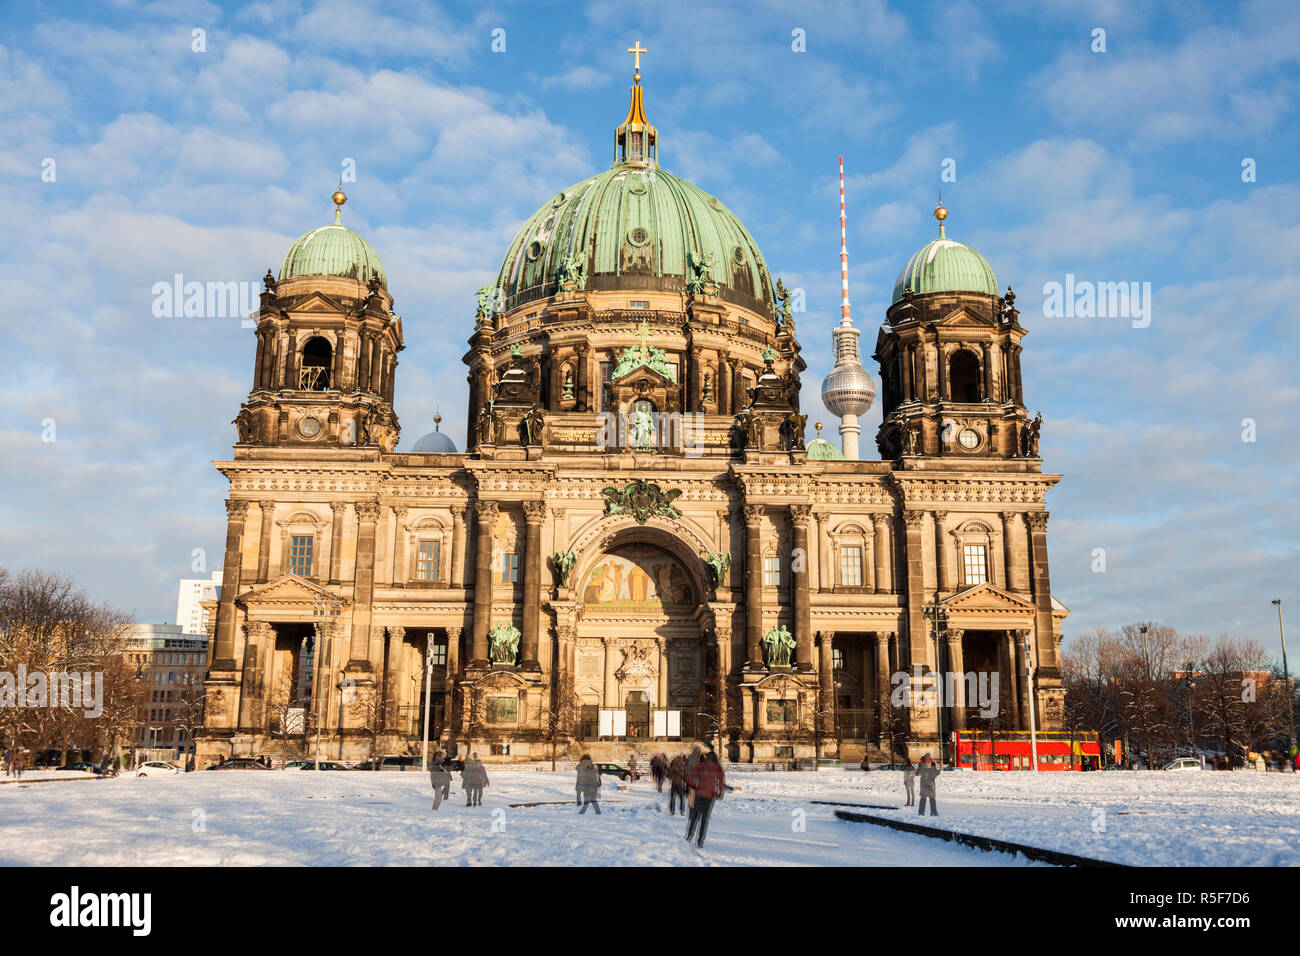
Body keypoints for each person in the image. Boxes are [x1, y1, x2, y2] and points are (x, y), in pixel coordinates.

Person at [686, 750, 725, 848]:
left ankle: (689, 836)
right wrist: (720, 792)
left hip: (699, 793)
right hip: (711, 795)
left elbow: (692, 777)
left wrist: (692, 785)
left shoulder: (700, 765)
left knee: (695, 816)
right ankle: (700, 841)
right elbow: (721, 780)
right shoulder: (717, 767)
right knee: (705, 819)